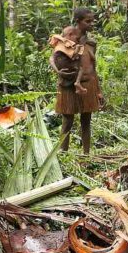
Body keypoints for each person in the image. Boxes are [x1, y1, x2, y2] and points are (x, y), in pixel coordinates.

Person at [50, 8, 101, 153]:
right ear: (78, 21)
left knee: (86, 121)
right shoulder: (66, 39)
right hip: (67, 84)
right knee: (67, 121)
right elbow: (52, 57)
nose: (91, 24)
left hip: (87, 84)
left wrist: (98, 91)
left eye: (92, 20)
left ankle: (86, 154)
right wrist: (58, 70)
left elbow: (92, 67)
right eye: (88, 21)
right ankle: (63, 153)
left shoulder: (91, 44)